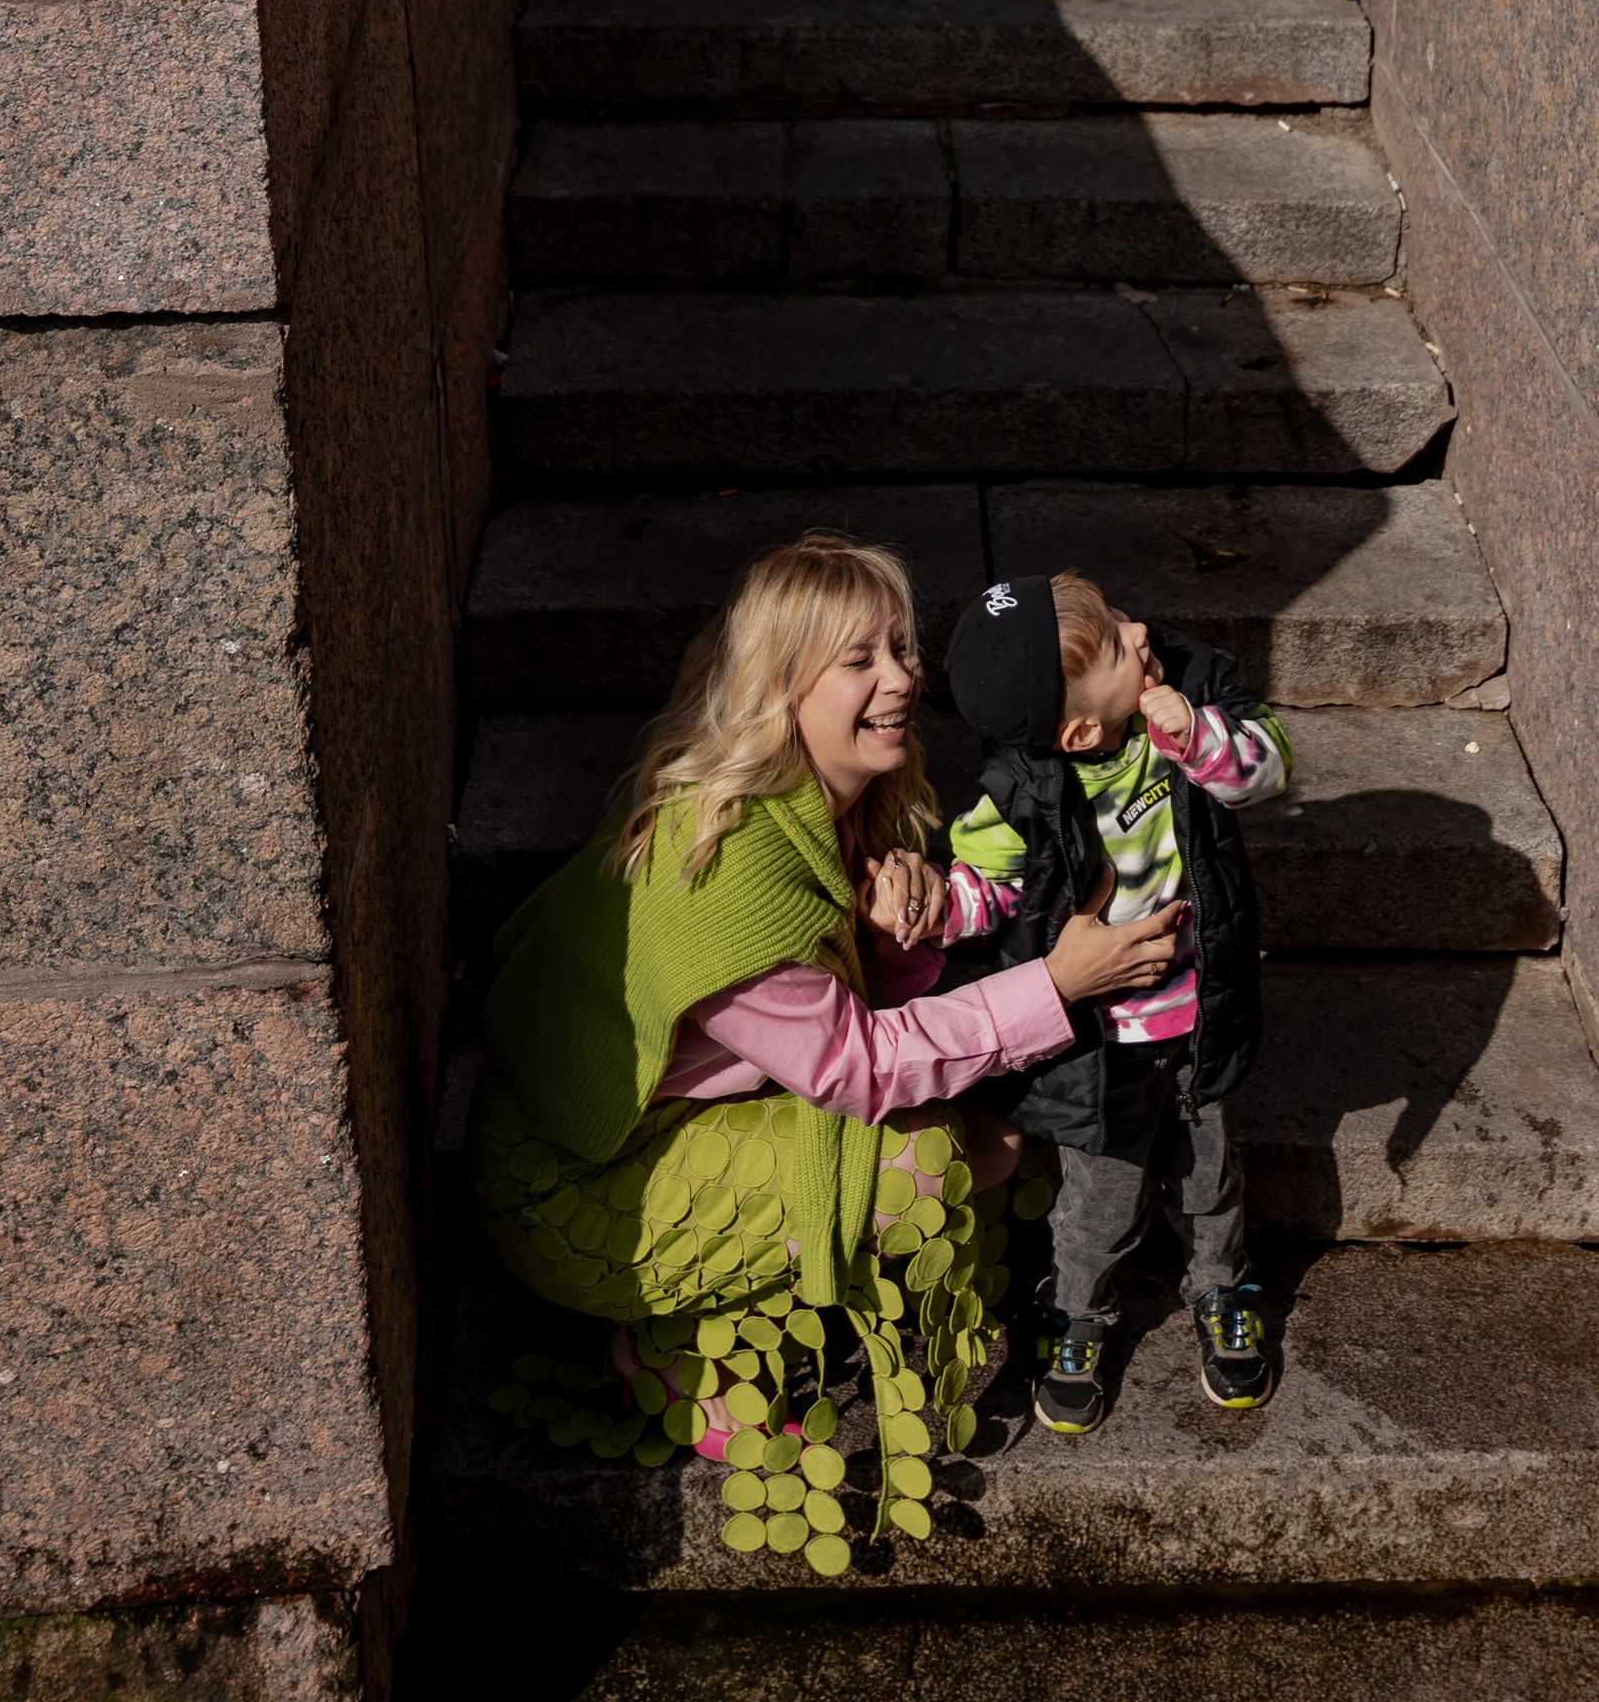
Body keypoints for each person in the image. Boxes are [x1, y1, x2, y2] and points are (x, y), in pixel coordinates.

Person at [468, 534, 1175, 1569]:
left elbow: (837, 1011)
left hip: (665, 1120)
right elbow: (862, 1066)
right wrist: (1060, 983)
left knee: (985, 1115)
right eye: (859, 660)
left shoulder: (825, 810)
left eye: (900, 646)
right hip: (577, 1191)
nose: (900, 677)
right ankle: (668, 1348)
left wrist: (895, 936)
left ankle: (743, 1308)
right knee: (942, 1158)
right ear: (779, 686)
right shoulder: (726, 865)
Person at [941, 568, 1291, 1436]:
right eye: (1113, 643)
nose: (1141, 635)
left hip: (1197, 1006)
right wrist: (933, 908)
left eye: (1121, 618)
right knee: (1097, 1200)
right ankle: (1079, 1313)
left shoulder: (1186, 693)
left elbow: (1269, 771)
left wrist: (1200, 739)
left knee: (1210, 1177)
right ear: (1079, 727)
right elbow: (985, 886)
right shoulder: (1018, 793)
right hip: (1100, 1037)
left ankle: (1221, 1287)